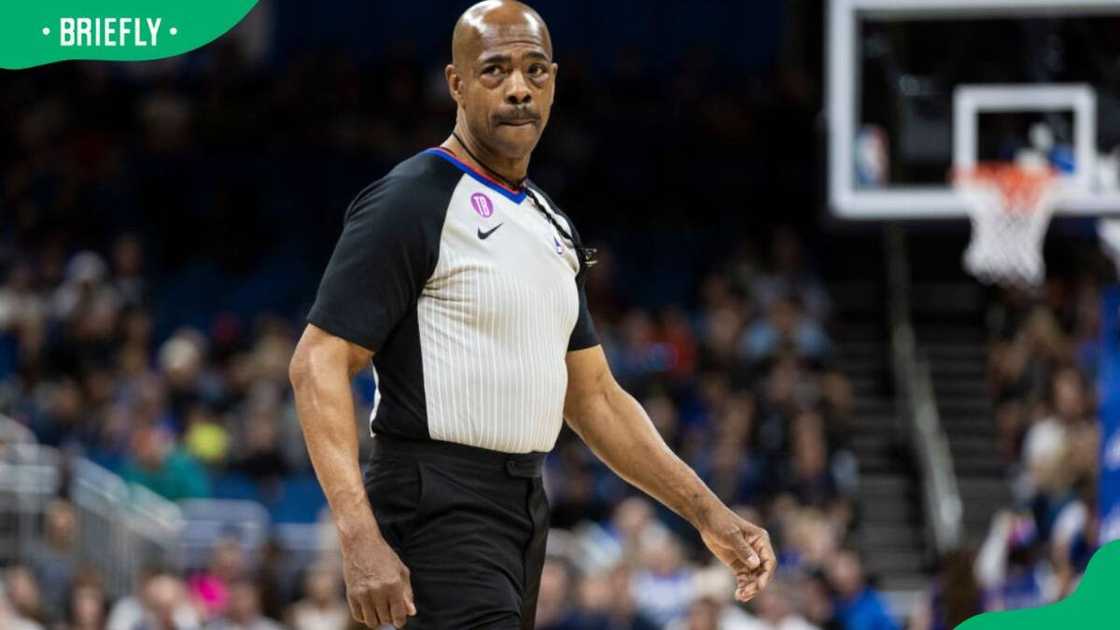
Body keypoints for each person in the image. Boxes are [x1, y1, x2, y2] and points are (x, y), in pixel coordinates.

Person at [288, 2, 775, 628]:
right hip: (433, 499)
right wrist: (356, 535)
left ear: (554, 81)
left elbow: (595, 397)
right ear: (457, 84)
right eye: (495, 71)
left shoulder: (549, 221)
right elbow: (317, 363)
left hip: (522, 505)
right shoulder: (411, 199)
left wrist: (708, 513)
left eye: (535, 70)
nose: (519, 88)